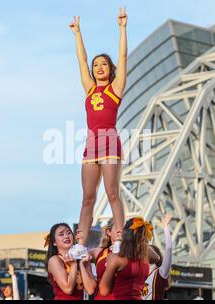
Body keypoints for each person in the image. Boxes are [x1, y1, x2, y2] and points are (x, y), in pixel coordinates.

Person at [69, 7, 128, 254]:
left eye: (104, 64)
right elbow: (81, 61)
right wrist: (77, 34)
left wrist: (122, 28)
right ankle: (80, 245)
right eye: (96, 65)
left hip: (109, 141)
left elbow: (123, 58)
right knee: (87, 198)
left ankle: (119, 240)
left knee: (113, 192)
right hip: (92, 143)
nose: (99, 67)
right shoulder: (90, 89)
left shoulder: (115, 88)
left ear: (110, 69)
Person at [89, 218, 161, 300]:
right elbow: (80, 256)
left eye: (123, 228)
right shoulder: (99, 252)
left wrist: (135, 239)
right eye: (117, 228)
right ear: (108, 232)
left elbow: (156, 258)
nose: (120, 231)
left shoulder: (132, 252)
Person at [46, 223, 96, 300]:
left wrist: (82, 264)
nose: (66, 236)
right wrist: (74, 264)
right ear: (54, 242)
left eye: (69, 233)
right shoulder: (54, 260)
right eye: (61, 234)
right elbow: (68, 289)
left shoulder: (82, 258)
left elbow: (90, 290)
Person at [143, 213, 173, 300]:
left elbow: (169, 248)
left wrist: (165, 227)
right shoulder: (141, 276)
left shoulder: (161, 273)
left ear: (156, 255)